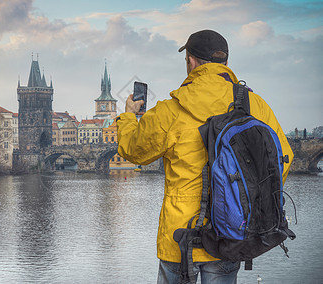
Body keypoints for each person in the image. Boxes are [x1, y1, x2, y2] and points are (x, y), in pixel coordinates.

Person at [116, 29, 293, 284]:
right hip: (231, 231)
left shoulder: (171, 109)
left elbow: (133, 150)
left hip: (180, 234)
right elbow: (283, 158)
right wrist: (245, 196)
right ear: (226, 64)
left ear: (191, 61)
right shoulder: (254, 104)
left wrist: (129, 117)